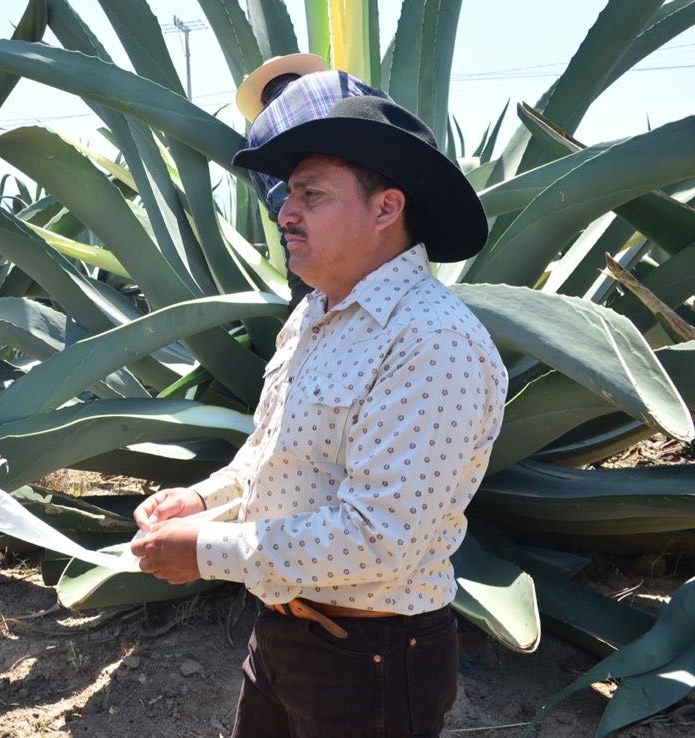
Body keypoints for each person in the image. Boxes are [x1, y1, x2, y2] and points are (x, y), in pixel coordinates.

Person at [130, 96, 507, 738]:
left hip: (373, 661)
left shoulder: (432, 342)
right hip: (286, 629)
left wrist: (206, 551)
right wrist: (198, 500)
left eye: (311, 194)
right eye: (287, 194)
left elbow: (381, 536)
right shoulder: (314, 314)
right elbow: (271, 452)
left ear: (387, 208)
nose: (285, 212)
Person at [238, 54, 391, 306]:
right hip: (371, 221)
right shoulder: (338, 80)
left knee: (308, 320)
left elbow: (277, 209)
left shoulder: (259, 129)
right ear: (299, 75)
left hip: (305, 242)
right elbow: (392, 117)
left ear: (263, 100)